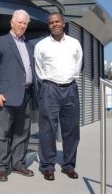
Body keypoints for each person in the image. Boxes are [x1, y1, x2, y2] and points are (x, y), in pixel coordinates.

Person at [34, 12, 83, 181]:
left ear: (63, 23)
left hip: (70, 89)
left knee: (71, 129)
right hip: (49, 89)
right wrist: (51, 83)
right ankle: (47, 166)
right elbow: (39, 69)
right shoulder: (41, 45)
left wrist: (67, 80)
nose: (54, 24)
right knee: (47, 129)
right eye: (51, 22)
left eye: (57, 21)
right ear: (49, 26)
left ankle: (69, 165)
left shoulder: (75, 43)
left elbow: (78, 65)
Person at [0, 9, 34, 182]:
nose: (22, 25)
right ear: (12, 22)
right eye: (19, 22)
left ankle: (18, 164)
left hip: (27, 95)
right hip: (5, 97)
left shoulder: (29, 45)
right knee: (4, 132)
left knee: (22, 132)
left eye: (25, 23)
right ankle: (1, 167)